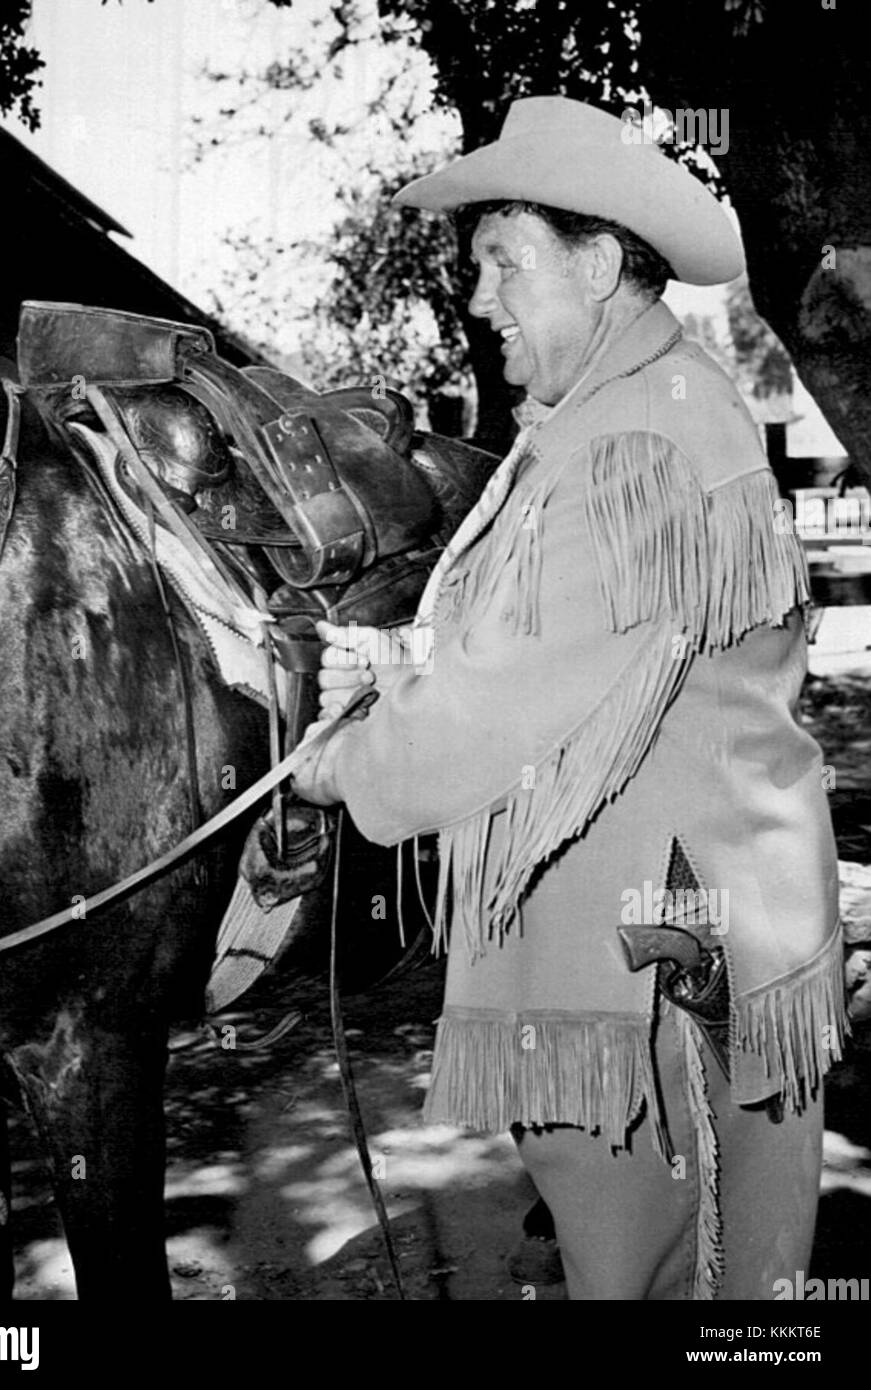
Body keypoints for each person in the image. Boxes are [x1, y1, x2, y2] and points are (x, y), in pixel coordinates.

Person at [293, 95, 846, 1300]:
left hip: (661, 969)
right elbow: (540, 644)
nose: (478, 297)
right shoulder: (609, 415)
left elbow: (509, 706)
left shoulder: (639, 440)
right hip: (652, 944)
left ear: (595, 263)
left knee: (671, 1278)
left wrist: (339, 762)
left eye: (503, 260)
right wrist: (394, 669)